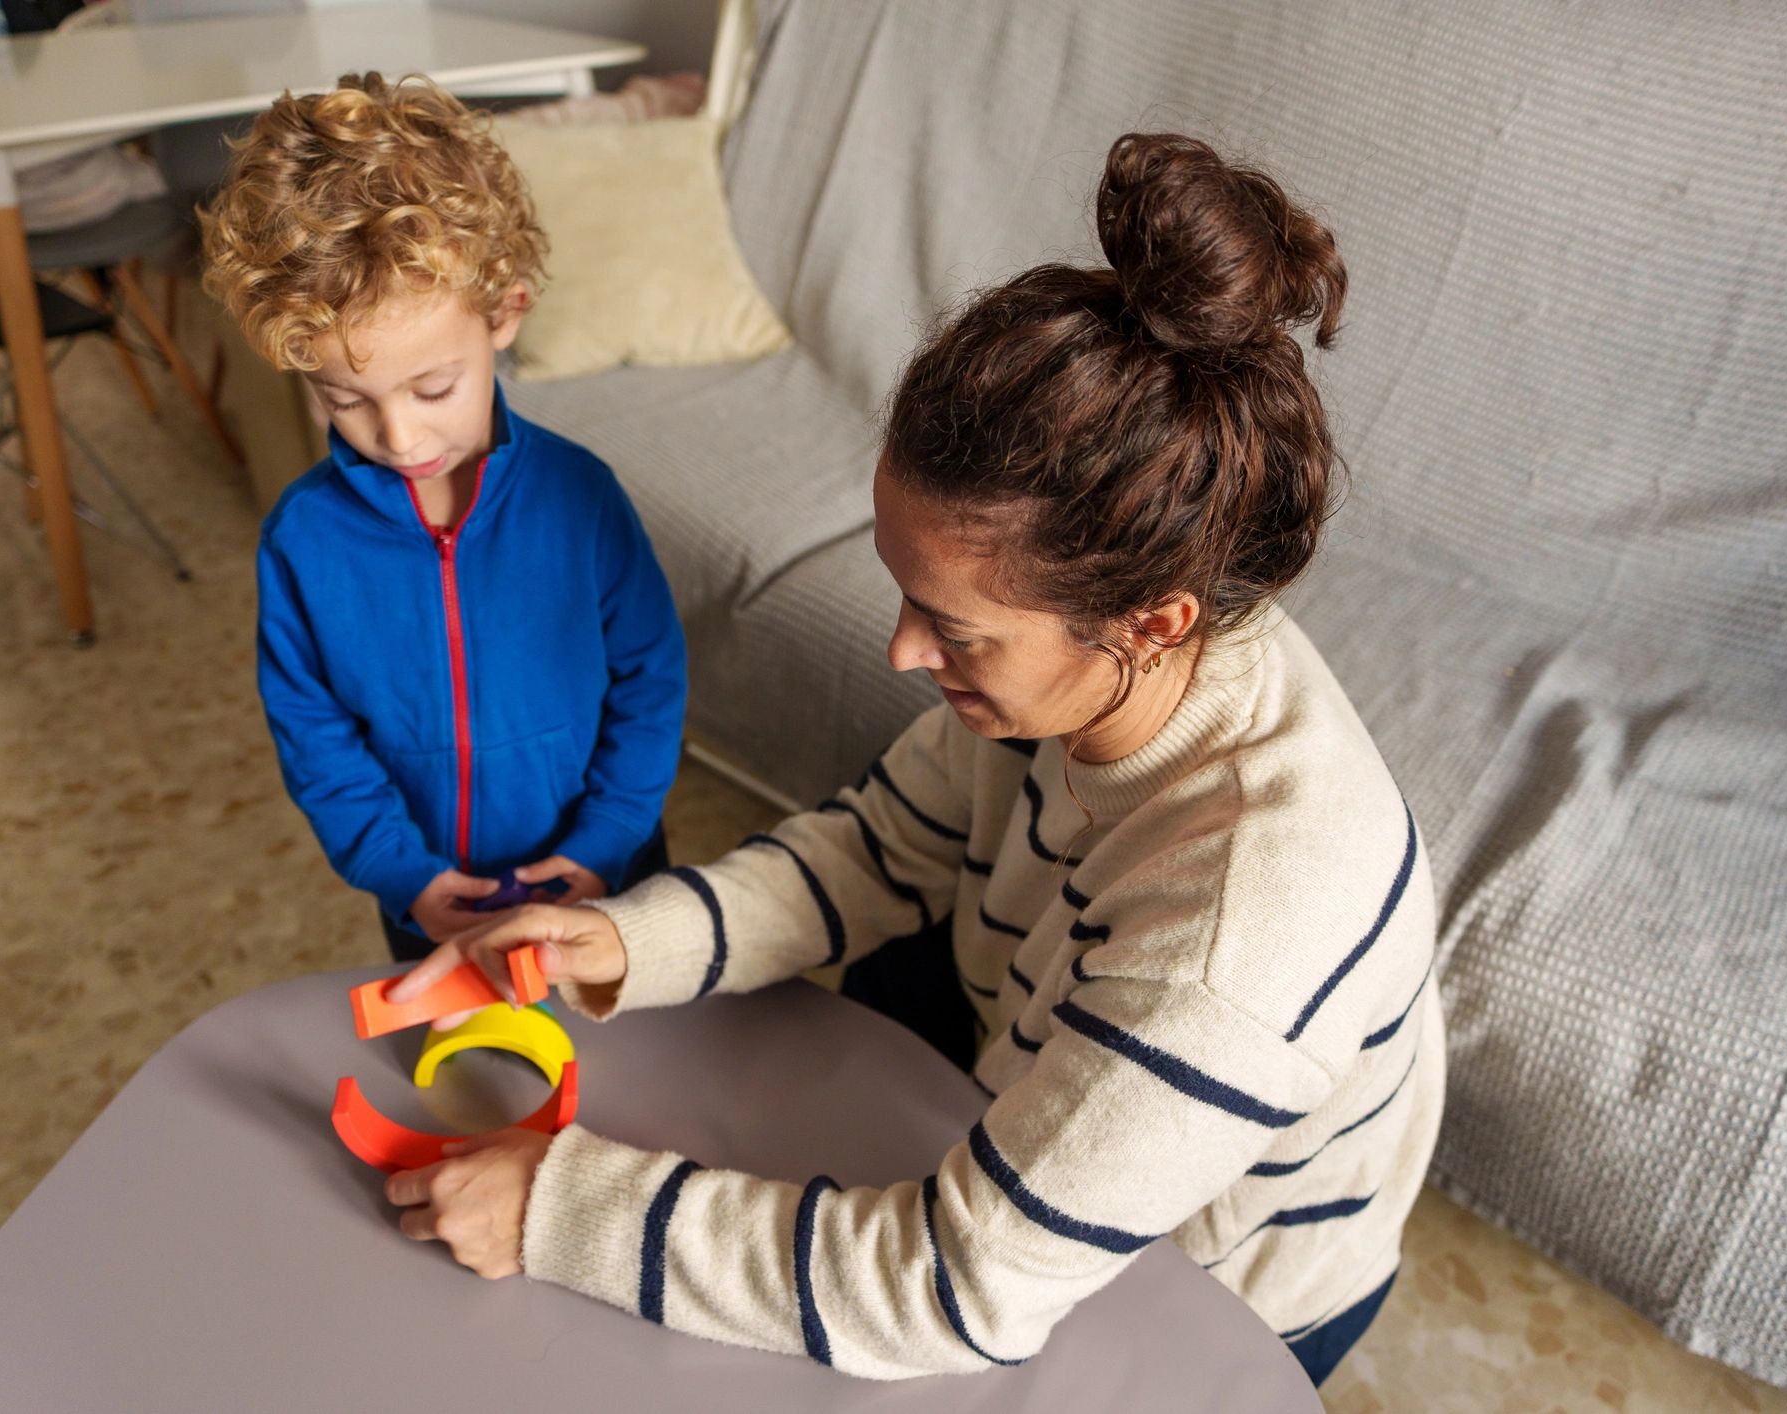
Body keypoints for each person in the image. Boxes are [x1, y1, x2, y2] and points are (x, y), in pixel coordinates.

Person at [388, 132, 1441, 1387]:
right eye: (904, 591)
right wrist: (622, 940)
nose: (901, 651)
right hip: (1022, 1064)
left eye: (953, 627)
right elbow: (882, 848)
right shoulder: (1099, 663)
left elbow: (951, 1289)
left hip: (1207, 1296)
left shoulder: (1240, 937)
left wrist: (557, 1207)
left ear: (1151, 623)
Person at [199, 75, 687, 962]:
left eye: (433, 388)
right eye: (344, 399)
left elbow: (649, 678)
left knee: (625, 1042)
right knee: (459, 1051)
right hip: (431, 895)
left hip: (603, 872)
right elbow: (313, 734)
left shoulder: (581, 499)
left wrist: (606, 837)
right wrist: (401, 872)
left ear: (504, 313)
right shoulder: (302, 543)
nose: (398, 436)